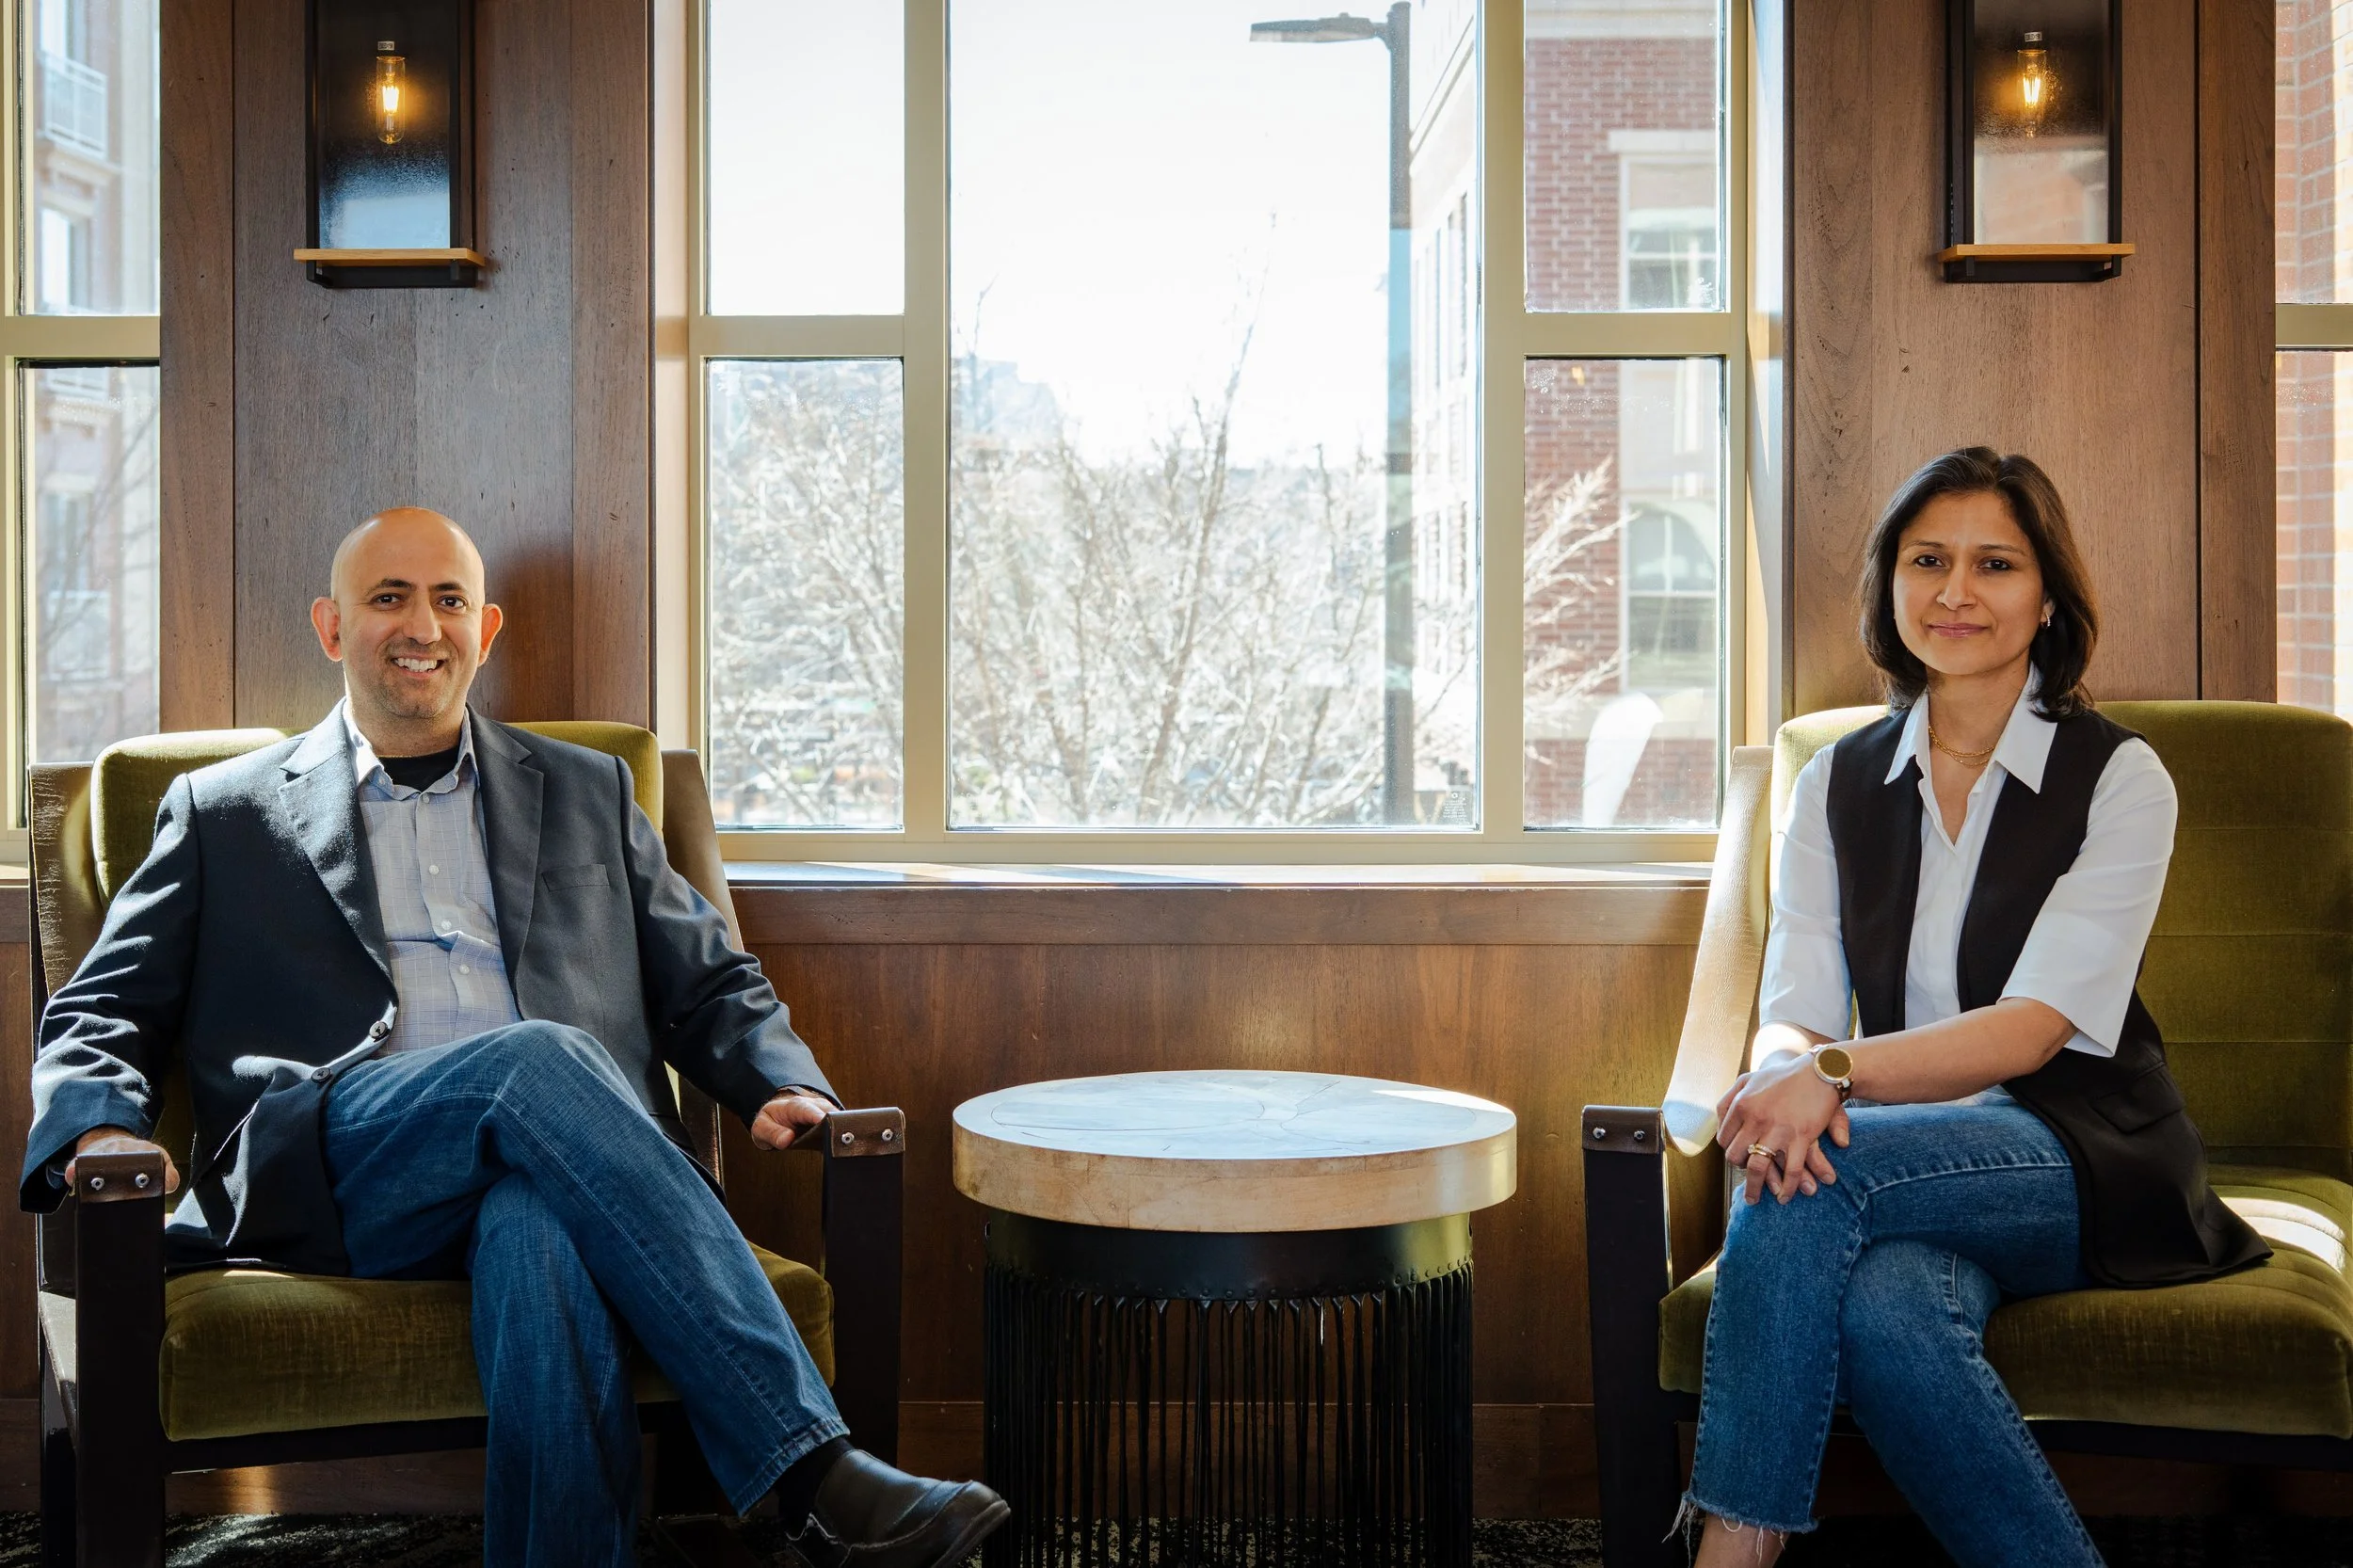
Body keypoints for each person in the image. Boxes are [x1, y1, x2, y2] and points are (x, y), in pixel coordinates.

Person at [19, 507, 1008, 1568]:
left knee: (540, 1233)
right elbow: (101, 1005)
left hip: (565, 1162)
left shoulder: (587, 790)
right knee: (540, 1058)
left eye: (449, 600)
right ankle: (815, 1474)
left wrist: (777, 1080)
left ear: (484, 630)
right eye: (389, 598)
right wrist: (95, 1129)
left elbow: (708, 976)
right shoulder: (222, 811)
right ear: (332, 625)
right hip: (342, 1168)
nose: (422, 626)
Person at [1685, 450, 2267, 1568]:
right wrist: (1786, 1070)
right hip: (1903, 1149)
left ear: (2047, 598)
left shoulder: (2121, 778)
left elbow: (2032, 1029)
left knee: (1811, 1172)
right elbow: (1796, 1003)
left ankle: (1733, 1546)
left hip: (2079, 1152)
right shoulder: (1834, 781)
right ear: (1890, 585)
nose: (1955, 591)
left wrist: (1825, 1081)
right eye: (1927, 561)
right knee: (1883, 1307)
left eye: (1994, 564)